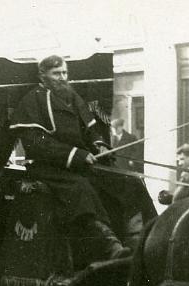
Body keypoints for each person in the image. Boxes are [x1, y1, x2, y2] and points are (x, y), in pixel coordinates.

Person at [9, 55, 138, 261]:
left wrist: (99, 144)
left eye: (65, 73)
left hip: (77, 164)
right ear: (43, 75)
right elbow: (37, 144)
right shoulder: (33, 100)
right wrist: (76, 155)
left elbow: (90, 130)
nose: (62, 77)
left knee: (129, 181)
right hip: (47, 167)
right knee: (81, 188)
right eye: (56, 73)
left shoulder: (71, 96)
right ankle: (108, 244)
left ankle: (138, 238)